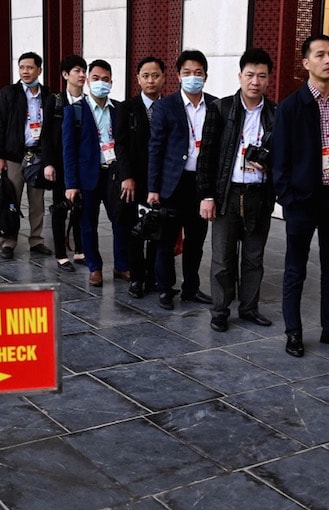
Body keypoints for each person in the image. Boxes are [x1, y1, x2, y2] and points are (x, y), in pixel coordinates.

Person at [271, 34, 329, 358]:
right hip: (302, 203)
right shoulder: (290, 107)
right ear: (306, 63)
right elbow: (278, 161)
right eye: (321, 55)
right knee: (296, 269)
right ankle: (293, 331)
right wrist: (289, 199)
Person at [197, 48, 276, 332]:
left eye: (262, 76)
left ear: (269, 80)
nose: (255, 81)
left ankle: (249, 308)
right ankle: (219, 310)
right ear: (240, 76)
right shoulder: (222, 109)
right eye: (250, 75)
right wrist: (207, 195)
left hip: (259, 194)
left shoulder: (275, 113)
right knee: (222, 258)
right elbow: (206, 156)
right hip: (227, 194)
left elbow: (282, 157)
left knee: (254, 257)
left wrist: (271, 167)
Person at [147, 49, 216, 310]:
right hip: (172, 185)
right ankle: (166, 288)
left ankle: (191, 288)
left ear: (205, 76)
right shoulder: (165, 106)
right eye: (187, 73)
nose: (192, 77)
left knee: (196, 241)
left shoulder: (215, 105)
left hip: (201, 185)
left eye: (198, 73)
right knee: (166, 240)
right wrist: (153, 188)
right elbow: (155, 149)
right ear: (178, 75)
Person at [62, 59, 127, 287]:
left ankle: (121, 265)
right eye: (96, 78)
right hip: (87, 175)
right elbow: (68, 151)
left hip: (113, 175)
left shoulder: (120, 110)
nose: (101, 83)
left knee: (120, 221)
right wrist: (71, 184)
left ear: (112, 82)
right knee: (88, 223)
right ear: (88, 81)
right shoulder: (75, 111)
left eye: (106, 79)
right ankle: (94, 267)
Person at [0, 52, 53, 259]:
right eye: (22, 67)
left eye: (30, 67)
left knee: (37, 202)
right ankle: (8, 241)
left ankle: (36, 240)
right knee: (11, 200)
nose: (25, 71)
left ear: (39, 70)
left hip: (37, 156)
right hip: (14, 156)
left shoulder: (48, 95)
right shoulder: (9, 93)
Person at [114, 57, 164, 298]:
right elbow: (120, 145)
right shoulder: (127, 107)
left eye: (155, 75)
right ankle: (136, 278)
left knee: (159, 229)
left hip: (163, 181)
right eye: (146, 75)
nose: (151, 80)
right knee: (135, 229)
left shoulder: (170, 107)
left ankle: (154, 277)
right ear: (138, 79)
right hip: (136, 180)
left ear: (163, 77)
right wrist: (127, 176)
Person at [42, 54, 88, 271]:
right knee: (60, 208)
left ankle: (80, 250)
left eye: (83, 71)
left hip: (82, 163)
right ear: (65, 75)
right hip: (60, 163)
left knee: (81, 207)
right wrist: (48, 163)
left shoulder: (87, 101)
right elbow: (46, 135)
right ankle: (61, 254)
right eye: (77, 71)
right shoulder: (56, 100)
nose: (82, 75)